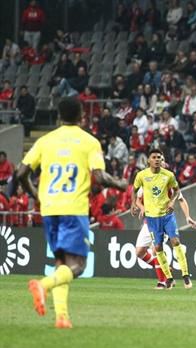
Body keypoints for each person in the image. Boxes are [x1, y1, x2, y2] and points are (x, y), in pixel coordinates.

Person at [18, 97, 127, 329]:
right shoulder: (89, 142)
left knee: (62, 264)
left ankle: (62, 317)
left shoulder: (45, 141)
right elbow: (98, 176)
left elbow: (20, 173)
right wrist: (121, 184)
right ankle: (43, 285)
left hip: (49, 209)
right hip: (73, 208)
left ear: (59, 116)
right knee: (78, 265)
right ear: (82, 116)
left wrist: (36, 194)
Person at [131, 149, 192, 290]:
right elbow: (138, 198)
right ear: (149, 161)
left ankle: (163, 281)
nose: (160, 161)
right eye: (156, 158)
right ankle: (167, 271)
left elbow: (181, 199)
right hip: (149, 220)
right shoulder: (144, 177)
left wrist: (187, 217)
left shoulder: (169, 179)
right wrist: (138, 207)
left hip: (164, 217)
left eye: (161, 159)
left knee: (156, 248)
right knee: (139, 252)